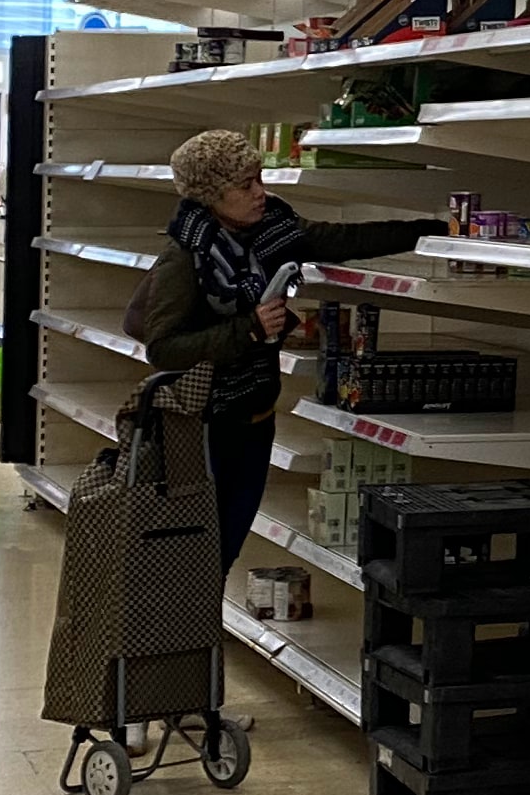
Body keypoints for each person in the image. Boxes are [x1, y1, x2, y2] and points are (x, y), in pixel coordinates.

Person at [128, 128, 447, 544]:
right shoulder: (186, 256)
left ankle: (203, 607)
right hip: (207, 425)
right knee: (204, 549)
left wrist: (431, 231)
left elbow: (341, 239)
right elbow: (164, 348)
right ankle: (192, 611)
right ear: (212, 195)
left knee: (229, 541)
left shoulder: (271, 229)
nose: (260, 192)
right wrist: (250, 329)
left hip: (257, 417)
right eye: (246, 185)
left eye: (259, 178)